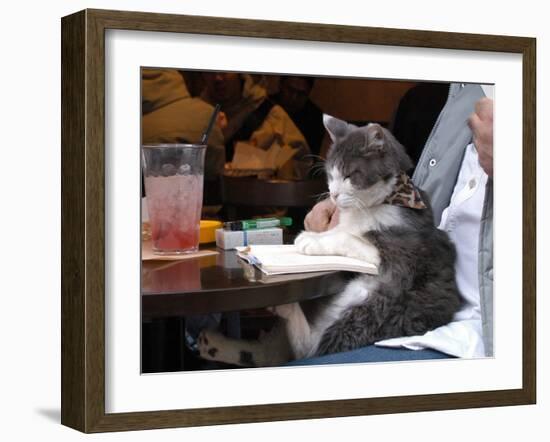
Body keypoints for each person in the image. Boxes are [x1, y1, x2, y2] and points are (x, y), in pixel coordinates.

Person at [290, 83, 493, 365]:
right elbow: (410, 204)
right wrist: (354, 205)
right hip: (422, 303)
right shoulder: (463, 92)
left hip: (471, 331)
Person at [201, 72, 312, 180]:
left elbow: (302, 162)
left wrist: (273, 171)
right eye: (209, 72)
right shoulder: (196, 114)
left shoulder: (268, 113)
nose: (218, 78)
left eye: (225, 71)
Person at [270, 75, 325, 157]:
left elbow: (310, 157)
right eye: (290, 90)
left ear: (308, 93)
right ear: (280, 85)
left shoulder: (315, 118)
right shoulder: (266, 105)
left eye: (301, 94)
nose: (293, 98)